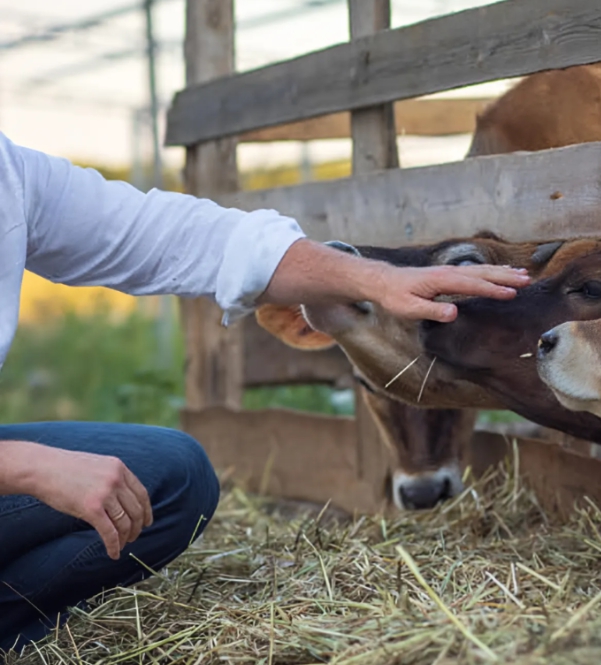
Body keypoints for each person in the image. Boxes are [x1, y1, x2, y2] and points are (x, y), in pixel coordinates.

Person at [0, 130, 529, 651]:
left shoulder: (11, 176)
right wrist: (27, 467)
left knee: (175, 476)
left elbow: (171, 235)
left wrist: (373, 281)